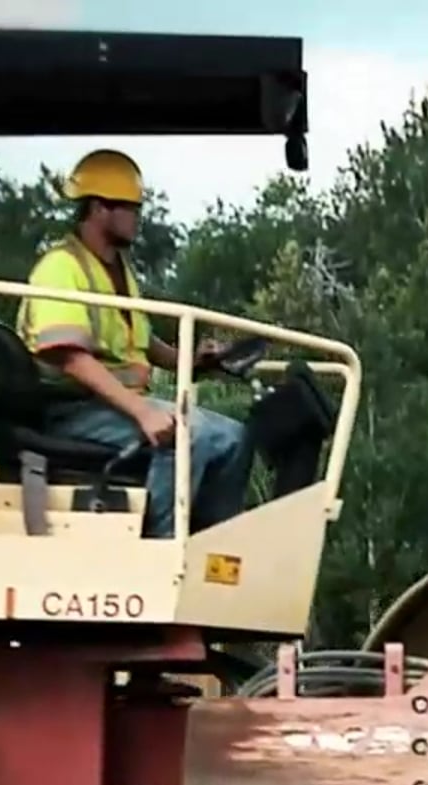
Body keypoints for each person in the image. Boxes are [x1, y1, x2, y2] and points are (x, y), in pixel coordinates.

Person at [13, 148, 251, 539]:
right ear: (99, 208)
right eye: (131, 208)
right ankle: (161, 549)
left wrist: (193, 361)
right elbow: (69, 357)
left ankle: (211, 548)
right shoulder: (61, 268)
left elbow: (140, 340)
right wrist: (143, 413)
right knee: (188, 434)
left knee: (235, 437)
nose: (138, 217)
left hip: (112, 405)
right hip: (74, 409)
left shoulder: (118, 270)